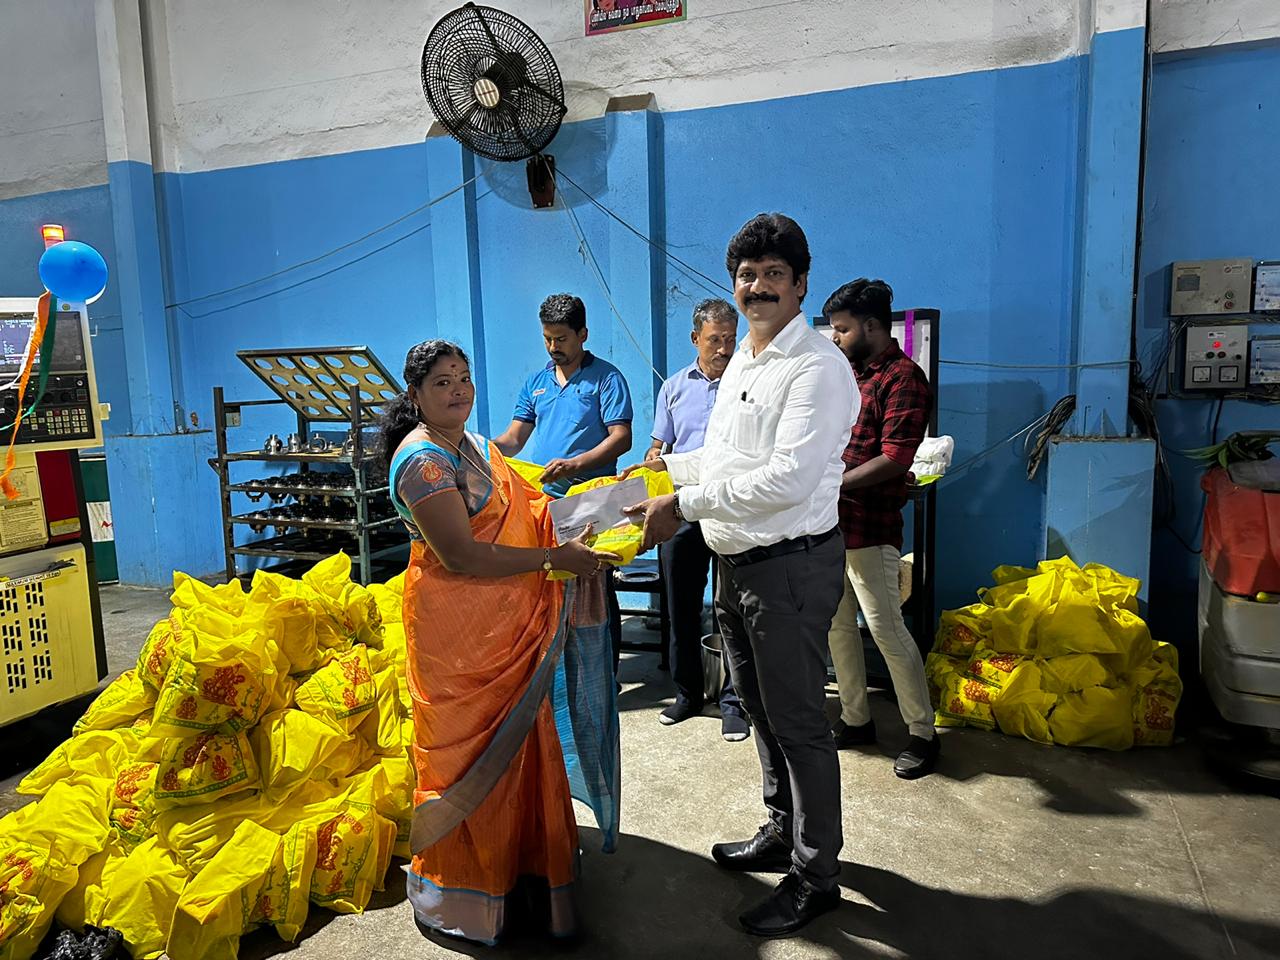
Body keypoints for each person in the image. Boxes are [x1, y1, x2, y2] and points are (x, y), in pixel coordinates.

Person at [624, 214, 859, 937]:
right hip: (737, 564)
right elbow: (726, 460)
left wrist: (681, 505)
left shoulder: (816, 368)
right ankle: (782, 830)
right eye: (747, 275)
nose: (757, 287)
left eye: (773, 275)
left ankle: (817, 877)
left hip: (788, 566)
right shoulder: (745, 364)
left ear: (800, 284)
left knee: (799, 722)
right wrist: (661, 472)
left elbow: (787, 480)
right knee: (758, 706)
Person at [384, 339, 622, 946]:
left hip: (509, 624)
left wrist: (612, 507)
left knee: (525, 745)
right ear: (416, 395)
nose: (458, 390)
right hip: (458, 635)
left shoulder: (476, 445)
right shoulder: (422, 463)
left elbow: (533, 507)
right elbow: (460, 555)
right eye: (441, 382)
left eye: (463, 377)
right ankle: (467, 896)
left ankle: (527, 875)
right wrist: (553, 560)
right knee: (468, 759)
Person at [823, 279, 940, 778]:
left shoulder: (903, 378)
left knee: (886, 629)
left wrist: (831, 484)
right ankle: (856, 719)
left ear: (872, 326)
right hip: (828, 526)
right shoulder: (847, 375)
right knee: (836, 626)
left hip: (870, 528)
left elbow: (895, 458)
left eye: (842, 329)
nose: (835, 337)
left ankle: (923, 732)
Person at [494, 293, 633, 671]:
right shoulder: (536, 383)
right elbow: (514, 439)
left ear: (582, 334)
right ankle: (561, 671)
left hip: (593, 501)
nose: (553, 347)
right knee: (552, 586)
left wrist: (575, 465)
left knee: (596, 588)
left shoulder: (607, 379)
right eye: (547, 339)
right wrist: (480, 448)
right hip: (547, 503)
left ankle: (606, 674)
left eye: (561, 339)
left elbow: (621, 438)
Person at [646, 297, 748, 742]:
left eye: (730, 339)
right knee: (681, 607)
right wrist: (653, 456)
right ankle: (687, 694)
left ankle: (734, 702)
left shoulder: (745, 385)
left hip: (729, 508)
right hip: (683, 509)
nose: (724, 349)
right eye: (714, 340)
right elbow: (660, 446)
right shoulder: (673, 388)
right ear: (695, 339)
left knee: (733, 611)